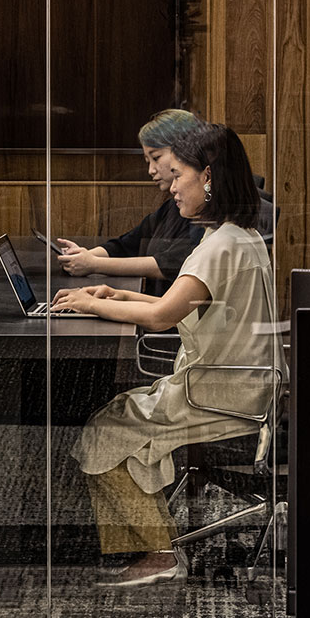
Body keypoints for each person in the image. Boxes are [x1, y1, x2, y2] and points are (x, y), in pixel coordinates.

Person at [54, 122, 278, 588]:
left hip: (217, 394)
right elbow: (179, 304)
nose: (172, 188)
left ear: (208, 177)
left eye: (178, 175)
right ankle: (150, 545)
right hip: (240, 384)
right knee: (119, 425)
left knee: (104, 430)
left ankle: (158, 553)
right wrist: (116, 294)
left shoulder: (219, 247)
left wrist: (90, 304)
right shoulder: (238, 236)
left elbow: (161, 317)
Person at [52, 108, 207, 296]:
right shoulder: (174, 205)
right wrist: (84, 256)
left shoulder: (204, 211)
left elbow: (170, 264)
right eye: (147, 161)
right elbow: (129, 243)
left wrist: (94, 264)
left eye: (156, 158)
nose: (151, 170)